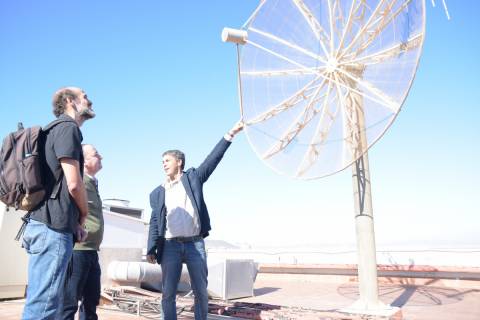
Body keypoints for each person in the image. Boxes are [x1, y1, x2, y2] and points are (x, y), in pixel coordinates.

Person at [146, 121, 244, 320]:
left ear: (179, 162)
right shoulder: (157, 192)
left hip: (194, 245)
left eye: (167, 160)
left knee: (200, 291)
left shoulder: (193, 179)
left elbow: (212, 159)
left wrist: (230, 134)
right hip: (170, 246)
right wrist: (151, 248)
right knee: (168, 294)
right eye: (162, 161)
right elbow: (155, 221)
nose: (164, 164)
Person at [22, 87, 95, 320]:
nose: (89, 99)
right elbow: (74, 184)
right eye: (84, 95)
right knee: (44, 307)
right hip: (52, 229)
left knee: (43, 302)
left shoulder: (52, 131)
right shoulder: (67, 128)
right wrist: (83, 214)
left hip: (44, 225)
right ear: (70, 101)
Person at [62, 144, 104, 320]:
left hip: (92, 251)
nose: (101, 157)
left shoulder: (92, 183)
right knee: (69, 302)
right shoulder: (77, 181)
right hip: (78, 251)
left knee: (91, 301)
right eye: (96, 154)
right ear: (85, 161)